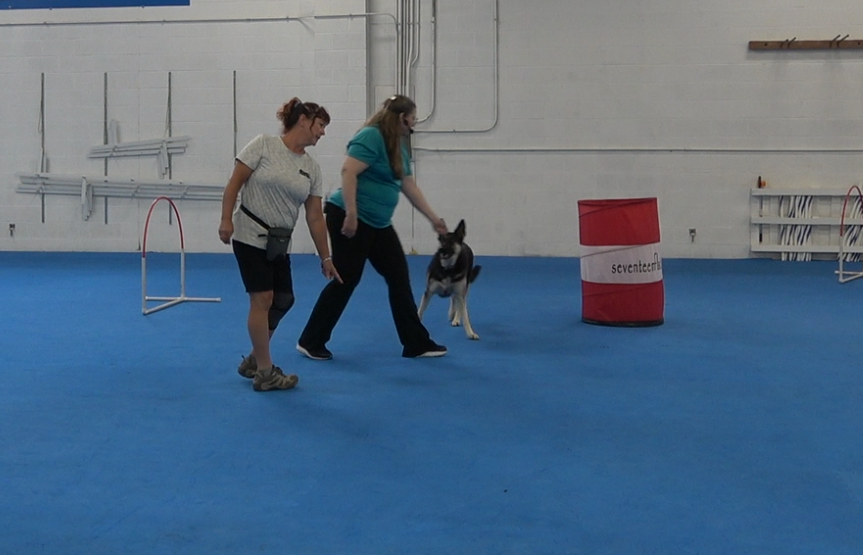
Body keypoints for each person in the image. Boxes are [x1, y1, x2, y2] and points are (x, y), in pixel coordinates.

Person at [297, 94, 448, 360]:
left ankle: (416, 343)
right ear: (402, 118)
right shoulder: (371, 136)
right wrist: (352, 214)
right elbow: (348, 172)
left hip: (378, 222)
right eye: (411, 120)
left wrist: (433, 218)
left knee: (398, 277)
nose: (412, 126)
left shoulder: (398, 145)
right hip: (349, 215)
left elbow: (408, 186)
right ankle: (311, 340)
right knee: (347, 278)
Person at [219, 98, 342, 392]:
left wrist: (326, 257)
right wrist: (226, 219)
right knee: (262, 299)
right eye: (321, 125)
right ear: (304, 120)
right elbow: (234, 183)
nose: (322, 133)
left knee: (284, 299)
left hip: (278, 243)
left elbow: (314, 216)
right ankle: (264, 372)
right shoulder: (263, 145)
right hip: (249, 235)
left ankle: (253, 359)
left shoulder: (312, 168)